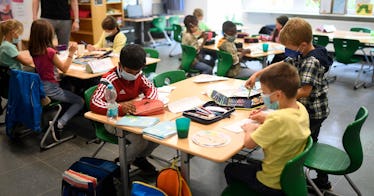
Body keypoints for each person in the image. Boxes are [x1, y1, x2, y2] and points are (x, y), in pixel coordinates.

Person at [246, 17, 332, 190]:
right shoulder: (300, 54)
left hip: (313, 111)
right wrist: (258, 74)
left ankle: (308, 177)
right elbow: (280, 64)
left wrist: (275, 101)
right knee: (305, 142)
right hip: (302, 107)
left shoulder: (311, 61)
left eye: (289, 47)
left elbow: (304, 91)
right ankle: (298, 172)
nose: (287, 51)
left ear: (302, 45)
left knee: (306, 144)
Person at [225, 62, 311, 195]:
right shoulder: (301, 108)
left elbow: (249, 144)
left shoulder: (277, 119)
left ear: (278, 95)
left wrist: (249, 129)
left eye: (264, 93)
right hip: (289, 175)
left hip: (271, 182)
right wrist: (264, 117)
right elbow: (286, 121)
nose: (263, 96)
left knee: (231, 168)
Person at [90, 44, 159, 177]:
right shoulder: (109, 79)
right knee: (141, 141)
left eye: (137, 71)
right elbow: (95, 102)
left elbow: (150, 87)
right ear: (120, 64)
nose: (134, 75)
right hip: (113, 120)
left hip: (135, 116)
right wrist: (119, 108)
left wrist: (149, 102)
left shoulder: (138, 74)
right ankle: (123, 164)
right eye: (130, 71)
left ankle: (138, 158)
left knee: (156, 136)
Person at [28, 19, 84, 132]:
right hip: (51, 89)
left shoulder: (33, 49)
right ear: (47, 34)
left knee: (68, 84)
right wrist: (71, 53)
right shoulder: (49, 52)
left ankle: (61, 115)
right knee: (80, 101)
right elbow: (64, 68)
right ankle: (59, 124)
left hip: (41, 86)